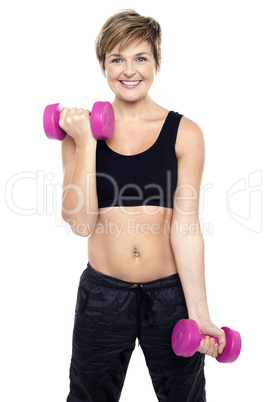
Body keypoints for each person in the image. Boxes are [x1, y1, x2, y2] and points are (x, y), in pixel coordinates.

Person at [59, 9, 226, 402]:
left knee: (185, 397)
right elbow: (81, 223)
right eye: (117, 58)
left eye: (140, 58)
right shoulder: (78, 132)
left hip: (168, 297)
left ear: (158, 63)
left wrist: (200, 315)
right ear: (103, 65)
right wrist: (85, 143)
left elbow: (185, 228)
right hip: (102, 295)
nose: (129, 70)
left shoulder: (185, 133)